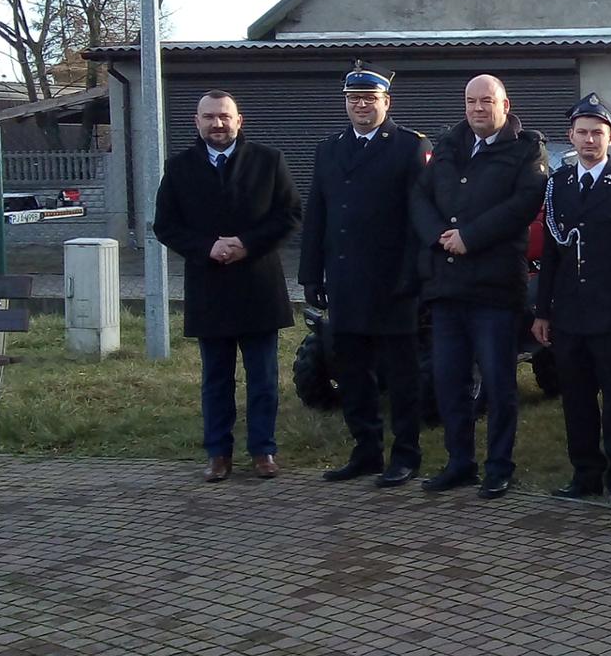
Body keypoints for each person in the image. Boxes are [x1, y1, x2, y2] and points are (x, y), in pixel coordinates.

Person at [152, 90, 301, 482]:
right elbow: (165, 226)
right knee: (216, 379)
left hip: (258, 287)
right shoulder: (179, 167)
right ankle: (218, 454)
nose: (217, 124)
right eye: (208, 117)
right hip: (209, 287)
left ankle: (263, 451)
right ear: (196, 122)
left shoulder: (269, 161)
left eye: (224, 116)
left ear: (239, 120)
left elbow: (290, 215)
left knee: (264, 377)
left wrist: (246, 244)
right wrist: (207, 247)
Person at [410, 74, 548, 499]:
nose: (477, 109)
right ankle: (459, 462)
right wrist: (438, 235)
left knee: (498, 382)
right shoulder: (448, 145)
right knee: (450, 380)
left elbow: (523, 204)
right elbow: (419, 197)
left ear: (505, 105)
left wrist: (471, 236)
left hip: (494, 289)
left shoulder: (527, 150)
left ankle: (499, 466)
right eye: (471, 101)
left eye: (487, 101)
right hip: (448, 286)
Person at [300, 62, 433, 487]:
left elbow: (420, 217)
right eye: (354, 99)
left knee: (402, 375)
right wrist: (311, 276)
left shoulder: (409, 147)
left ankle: (406, 454)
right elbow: (317, 214)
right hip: (345, 281)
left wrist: (414, 275)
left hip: (394, 282)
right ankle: (366, 450)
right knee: (352, 371)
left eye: (369, 99)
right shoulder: (330, 148)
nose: (361, 106)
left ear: (386, 102)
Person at [531, 93, 611, 508]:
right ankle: (585, 474)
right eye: (582, 133)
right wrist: (543, 310)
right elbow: (550, 253)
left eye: (597, 133)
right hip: (568, 315)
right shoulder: (558, 184)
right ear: (570, 136)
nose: (589, 140)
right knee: (577, 399)